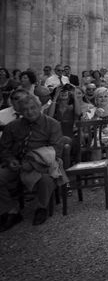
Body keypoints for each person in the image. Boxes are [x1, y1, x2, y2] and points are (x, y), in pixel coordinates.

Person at [0, 94, 70, 231]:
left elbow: (55, 150)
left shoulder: (52, 124)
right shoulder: (12, 127)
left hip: (42, 164)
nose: (29, 112)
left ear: (39, 107)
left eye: (33, 108)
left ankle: (41, 207)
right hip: (17, 164)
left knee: (46, 179)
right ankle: (11, 209)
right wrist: (10, 160)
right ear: (20, 111)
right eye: (25, 109)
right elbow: (4, 149)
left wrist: (32, 162)